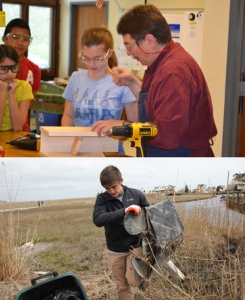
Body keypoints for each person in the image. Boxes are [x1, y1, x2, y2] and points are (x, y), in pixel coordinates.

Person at [92, 4, 218, 157]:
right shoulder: (161, 62)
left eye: (129, 46)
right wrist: (133, 83)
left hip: (181, 159)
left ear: (150, 41)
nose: (129, 53)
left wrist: (124, 127)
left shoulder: (174, 72)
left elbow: (166, 135)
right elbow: (156, 103)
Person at [61, 26, 138, 154]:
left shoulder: (122, 80)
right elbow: (68, 116)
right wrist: (67, 142)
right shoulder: (75, 78)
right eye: (86, 58)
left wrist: (118, 130)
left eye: (97, 58)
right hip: (79, 151)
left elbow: (134, 126)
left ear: (110, 53)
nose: (91, 64)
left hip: (111, 153)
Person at [93, 165, 149, 300]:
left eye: (114, 187)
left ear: (121, 181)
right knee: (122, 285)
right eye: (107, 188)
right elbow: (98, 220)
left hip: (136, 246)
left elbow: (150, 215)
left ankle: (142, 280)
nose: (111, 191)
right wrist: (124, 211)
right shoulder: (102, 199)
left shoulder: (137, 194)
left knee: (133, 281)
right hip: (115, 249)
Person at [3, 18, 41, 130]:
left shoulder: (34, 69)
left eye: (25, 39)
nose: (20, 42)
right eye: (15, 37)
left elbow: (30, 100)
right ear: (5, 39)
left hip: (21, 130)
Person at [0, 44, 33, 132]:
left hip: (14, 139)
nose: (10, 73)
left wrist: (11, 94)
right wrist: (1, 91)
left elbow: (17, 127)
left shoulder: (24, 87)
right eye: (3, 69)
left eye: (13, 68)